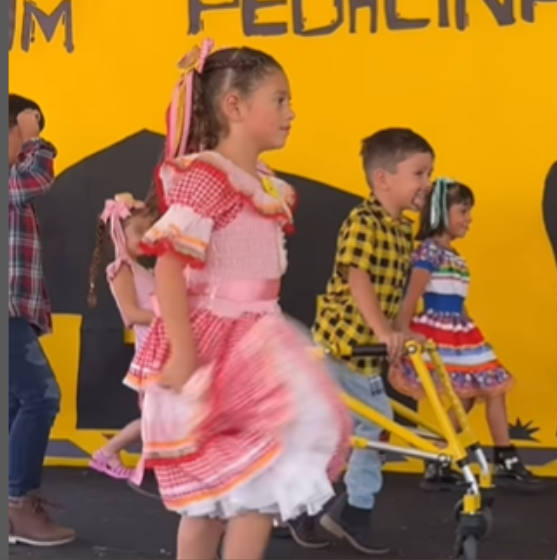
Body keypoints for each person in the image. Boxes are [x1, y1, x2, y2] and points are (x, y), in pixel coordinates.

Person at [127, 39, 352, 560]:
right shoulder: (206, 178)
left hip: (259, 339)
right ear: (234, 106)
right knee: (237, 495)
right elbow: (170, 265)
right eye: (279, 99)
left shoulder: (265, 185)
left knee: (241, 491)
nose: (291, 112)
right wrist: (183, 352)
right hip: (217, 345)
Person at [312, 128, 434, 555]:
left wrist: (400, 328)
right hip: (341, 344)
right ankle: (342, 511)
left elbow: (398, 289)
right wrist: (384, 331)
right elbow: (357, 277)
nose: (427, 183)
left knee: (363, 426)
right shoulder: (363, 221)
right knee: (362, 425)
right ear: (383, 179)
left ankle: (321, 510)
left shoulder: (403, 231)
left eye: (429, 173)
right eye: (419, 173)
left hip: (366, 353)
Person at [389, 178, 546, 492]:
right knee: (488, 389)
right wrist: (403, 331)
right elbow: (412, 295)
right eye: (463, 211)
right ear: (440, 213)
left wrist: (474, 332)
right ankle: (504, 457)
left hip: (461, 330)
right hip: (439, 331)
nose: (468, 219)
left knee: (475, 393)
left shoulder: (452, 255)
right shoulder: (430, 252)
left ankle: (440, 456)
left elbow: (458, 300)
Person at [8, 94, 76, 547]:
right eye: (31, 121)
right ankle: (17, 505)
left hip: (18, 308)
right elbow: (33, 179)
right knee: (40, 397)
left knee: (17, 404)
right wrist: (33, 134)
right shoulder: (16, 173)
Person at [86, 193, 157, 483]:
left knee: (162, 415)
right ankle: (107, 452)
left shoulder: (145, 270)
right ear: (119, 232)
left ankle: (111, 453)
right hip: (152, 353)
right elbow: (131, 314)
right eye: (140, 231)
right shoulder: (121, 270)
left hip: (165, 347)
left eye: (150, 230)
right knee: (156, 416)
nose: (147, 237)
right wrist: (174, 317)